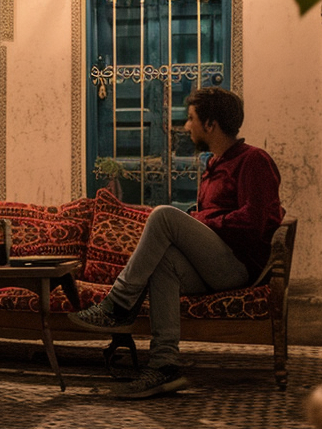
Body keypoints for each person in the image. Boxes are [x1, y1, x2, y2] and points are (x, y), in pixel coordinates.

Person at [69, 87, 283, 399]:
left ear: (210, 124)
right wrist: (201, 221)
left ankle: (118, 304)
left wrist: (200, 221)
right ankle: (164, 366)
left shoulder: (254, 160)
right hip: (215, 265)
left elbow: (254, 221)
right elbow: (214, 218)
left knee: (164, 215)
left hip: (238, 266)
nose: (186, 126)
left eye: (191, 119)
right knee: (164, 261)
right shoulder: (214, 166)